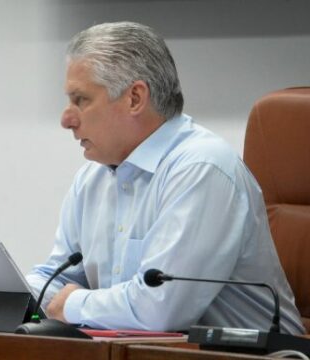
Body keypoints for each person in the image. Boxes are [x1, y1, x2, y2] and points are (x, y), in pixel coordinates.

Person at [24, 21, 305, 334]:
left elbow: (160, 310)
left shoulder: (202, 168)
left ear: (135, 98)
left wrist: (73, 304)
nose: (66, 119)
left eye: (81, 100)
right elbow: (57, 279)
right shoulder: (93, 177)